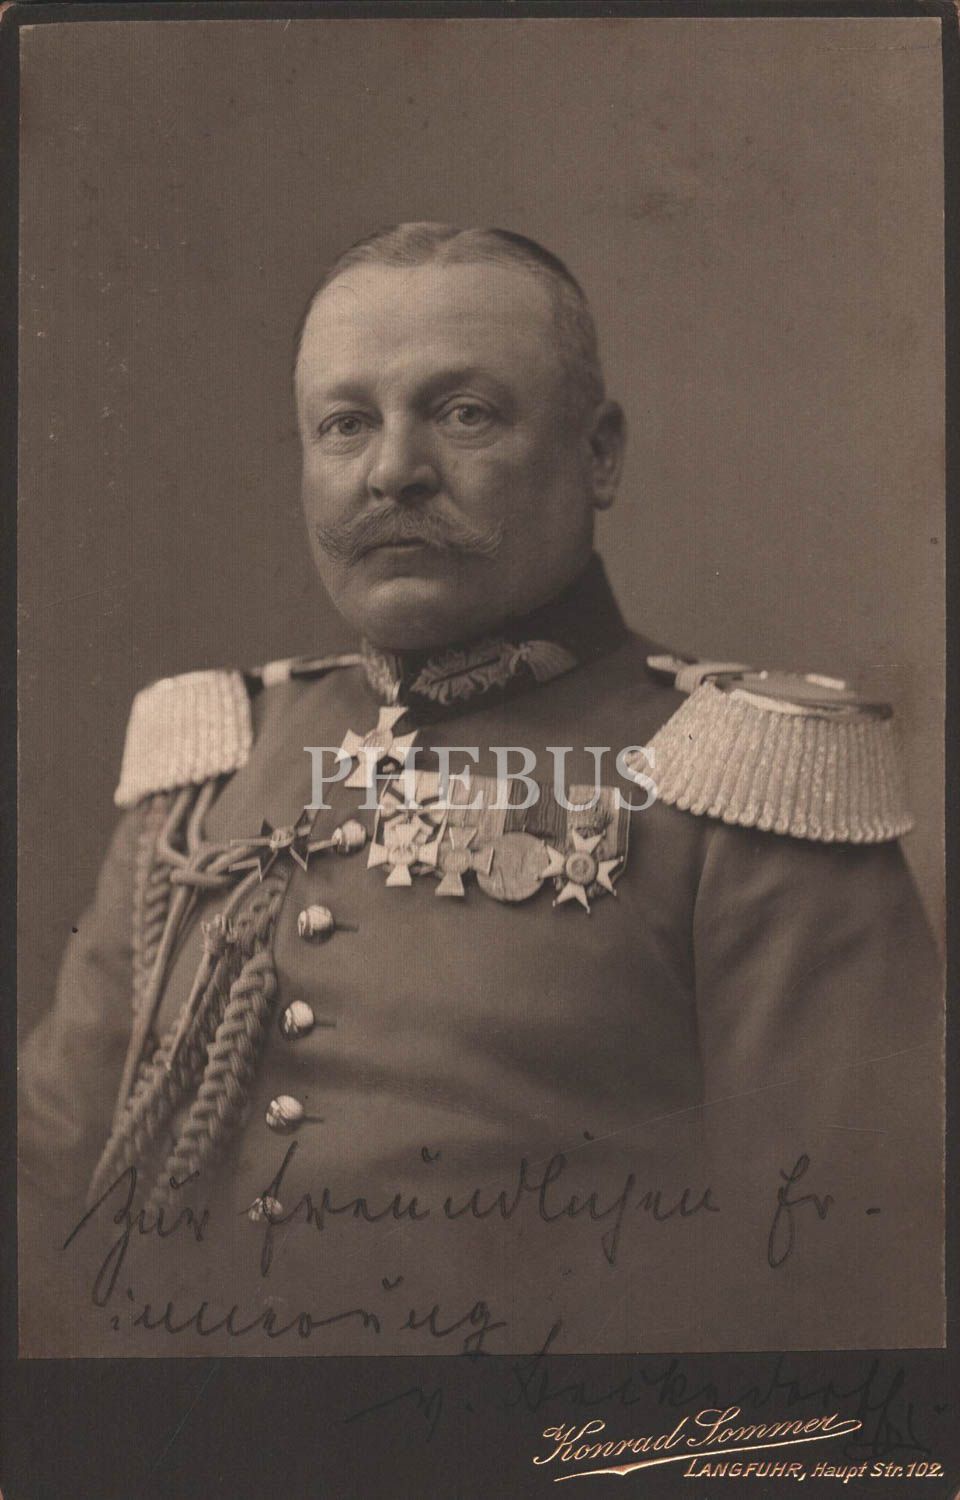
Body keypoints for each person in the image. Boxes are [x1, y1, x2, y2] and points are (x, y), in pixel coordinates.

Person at [19, 224, 942, 1357]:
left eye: (463, 414)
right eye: (345, 423)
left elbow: (845, 1279)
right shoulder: (212, 765)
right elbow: (47, 1196)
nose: (392, 470)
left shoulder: (749, 791)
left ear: (599, 456)